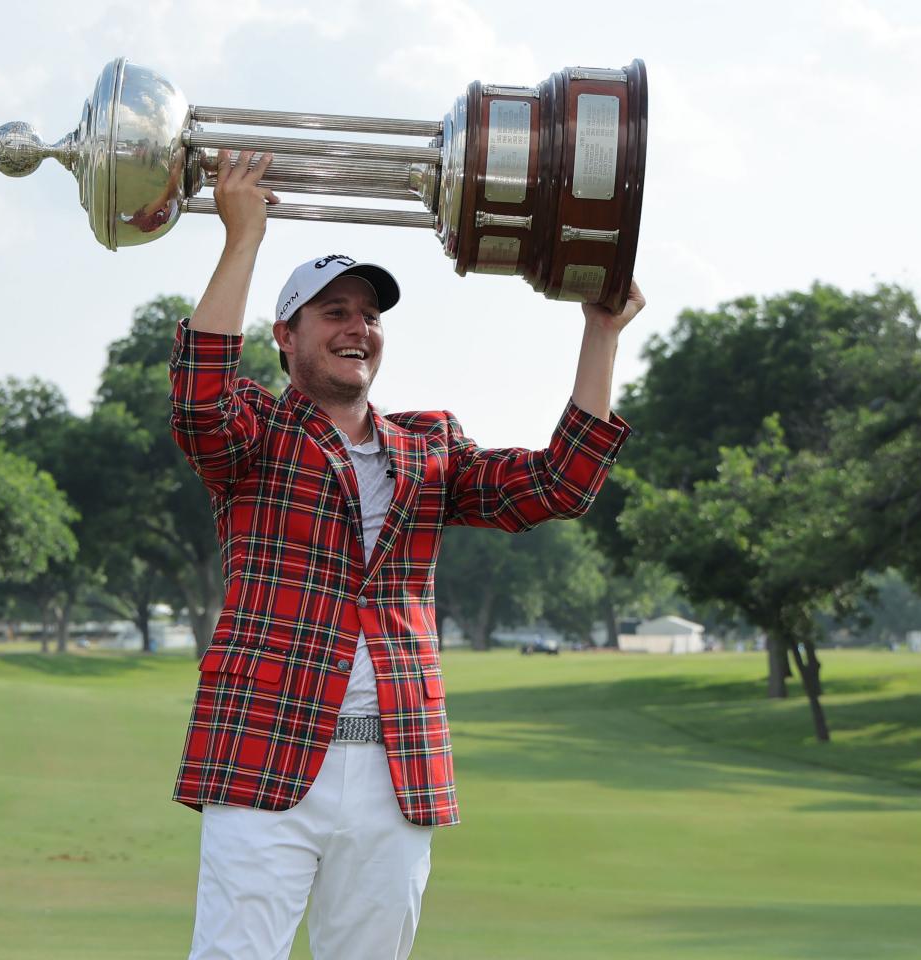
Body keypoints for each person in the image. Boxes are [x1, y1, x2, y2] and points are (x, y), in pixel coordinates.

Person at [168, 150, 642, 960]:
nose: (358, 328)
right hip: (267, 750)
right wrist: (241, 236)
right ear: (286, 336)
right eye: (333, 313)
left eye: (370, 316)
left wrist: (600, 336)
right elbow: (200, 397)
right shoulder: (255, 433)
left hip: (395, 767)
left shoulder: (428, 445)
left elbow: (559, 485)